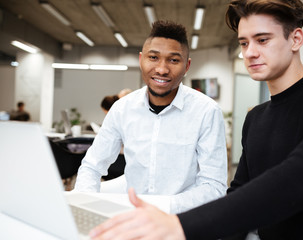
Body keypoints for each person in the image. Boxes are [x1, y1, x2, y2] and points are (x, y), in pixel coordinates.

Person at [89, 0, 303, 239]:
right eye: (244, 43)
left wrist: (180, 226)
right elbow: (240, 196)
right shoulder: (256, 118)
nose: (249, 52)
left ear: (296, 39)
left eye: (262, 40)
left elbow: (302, 181)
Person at [75, 20, 228, 214]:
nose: (162, 69)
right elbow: (91, 167)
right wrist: (86, 207)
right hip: (132, 217)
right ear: (141, 60)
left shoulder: (206, 111)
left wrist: (158, 208)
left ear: (187, 65)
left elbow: (214, 187)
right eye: (153, 57)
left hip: (182, 221)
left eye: (173, 60)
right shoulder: (122, 109)